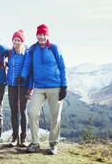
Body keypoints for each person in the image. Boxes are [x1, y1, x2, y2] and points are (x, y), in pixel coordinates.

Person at [17, 24, 67, 155]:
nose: (42, 37)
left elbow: (62, 67)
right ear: (36, 35)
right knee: (32, 112)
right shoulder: (33, 49)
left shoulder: (54, 48)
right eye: (39, 34)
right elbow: (27, 65)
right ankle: (35, 142)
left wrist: (64, 86)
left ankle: (53, 143)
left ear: (47, 36)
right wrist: (22, 76)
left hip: (55, 87)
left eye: (44, 35)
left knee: (55, 116)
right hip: (39, 87)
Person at [5, 29, 30, 147]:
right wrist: (6, 64)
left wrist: (23, 76)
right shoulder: (11, 52)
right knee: (13, 111)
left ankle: (23, 137)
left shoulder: (26, 52)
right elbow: (11, 64)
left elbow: (27, 66)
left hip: (22, 85)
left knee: (22, 111)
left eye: (19, 40)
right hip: (11, 85)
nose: (16, 42)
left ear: (22, 41)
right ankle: (14, 137)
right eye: (15, 39)